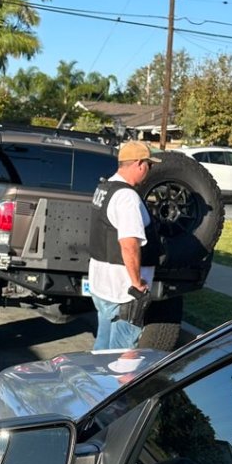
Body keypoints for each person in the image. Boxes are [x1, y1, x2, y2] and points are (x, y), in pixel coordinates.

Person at [88, 140, 161, 350]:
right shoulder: (127, 197)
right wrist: (137, 285)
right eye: (149, 165)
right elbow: (129, 244)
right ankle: (119, 384)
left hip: (103, 285)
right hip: (123, 291)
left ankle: (98, 381)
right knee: (121, 357)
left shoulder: (105, 188)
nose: (149, 170)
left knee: (102, 349)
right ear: (139, 163)